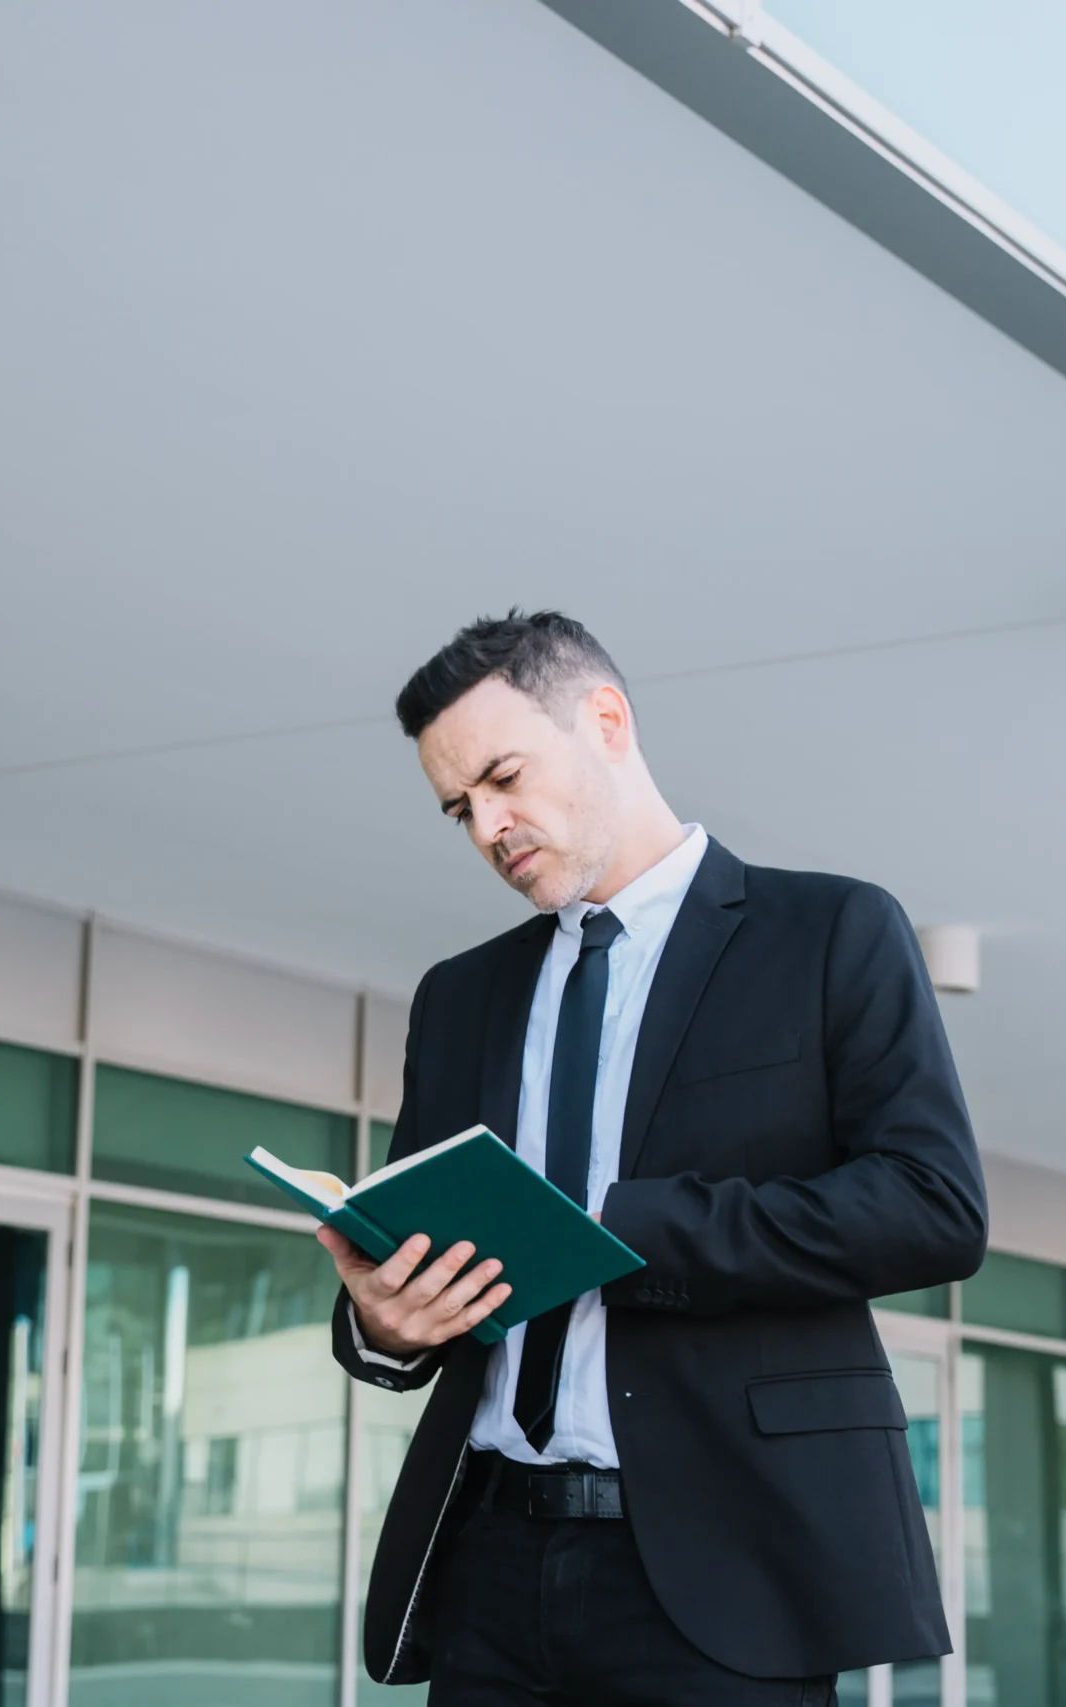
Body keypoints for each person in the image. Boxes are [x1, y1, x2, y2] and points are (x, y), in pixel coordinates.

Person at [323, 610, 988, 1706]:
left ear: (606, 720)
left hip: (726, 1569)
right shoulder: (460, 997)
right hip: (489, 1560)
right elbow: (425, 1244)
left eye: (503, 778)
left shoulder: (828, 933)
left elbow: (933, 1206)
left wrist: (624, 1224)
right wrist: (384, 1325)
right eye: (460, 808)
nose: (489, 826)